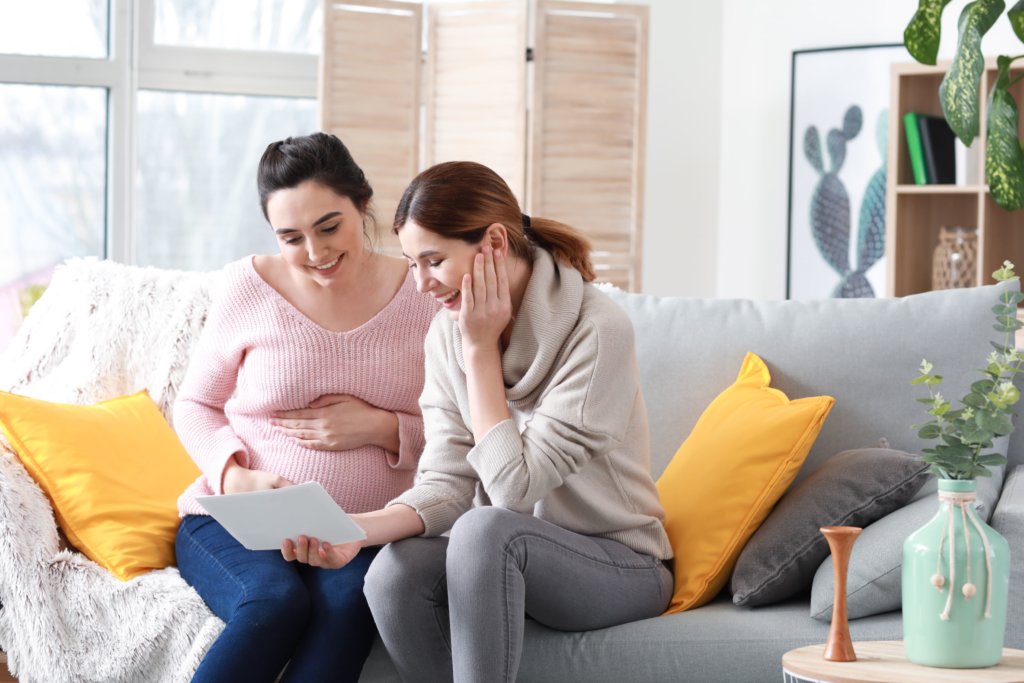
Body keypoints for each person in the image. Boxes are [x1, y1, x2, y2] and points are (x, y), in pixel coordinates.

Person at [313, 160, 674, 683]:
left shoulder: (597, 330)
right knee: (393, 572)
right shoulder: (444, 333)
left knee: (486, 530)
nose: (421, 285)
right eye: (412, 264)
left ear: (495, 244)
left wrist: (480, 351)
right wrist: (352, 530)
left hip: (619, 566)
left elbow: (510, 491)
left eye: (433, 261)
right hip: (502, 559)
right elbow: (446, 482)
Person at [172, 132, 438, 683]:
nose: (316, 253)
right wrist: (232, 476)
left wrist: (387, 429)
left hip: (361, 531)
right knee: (274, 603)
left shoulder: (422, 296)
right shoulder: (248, 287)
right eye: (291, 237)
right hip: (241, 522)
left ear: (362, 205)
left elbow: (466, 432)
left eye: (329, 227)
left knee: (347, 606)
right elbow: (196, 403)